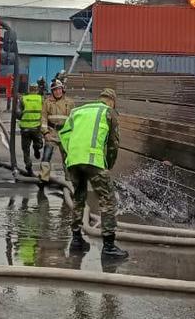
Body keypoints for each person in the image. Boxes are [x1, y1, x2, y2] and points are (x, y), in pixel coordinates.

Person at [60, 87, 127, 259]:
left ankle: (76, 241)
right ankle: (109, 247)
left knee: (78, 198)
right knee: (107, 200)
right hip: (94, 162)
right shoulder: (109, 112)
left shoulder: (78, 110)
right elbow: (113, 144)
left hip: (74, 161)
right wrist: (109, 165)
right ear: (112, 101)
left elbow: (64, 135)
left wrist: (71, 156)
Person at [39, 79, 75, 181]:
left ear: (62, 90)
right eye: (55, 90)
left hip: (66, 133)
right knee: (46, 156)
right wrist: (45, 132)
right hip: (52, 132)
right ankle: (43, 178)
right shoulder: (47, 102)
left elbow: (74, 120)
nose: (57, 92)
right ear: (52, 91)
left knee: (68, 158)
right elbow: (43, 118)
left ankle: (69, 180)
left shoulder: (70, 102)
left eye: (59, 89)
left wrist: (73, 134)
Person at [18, 84, 45, 175]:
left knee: (25, 150)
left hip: (25, 129)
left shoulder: (23, 99)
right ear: (37, 90)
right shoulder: (41, 99)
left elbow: (18, 114)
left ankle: (29, 167)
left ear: (29, 90)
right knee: (39, 143)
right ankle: (36, 148)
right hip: (36, 128)